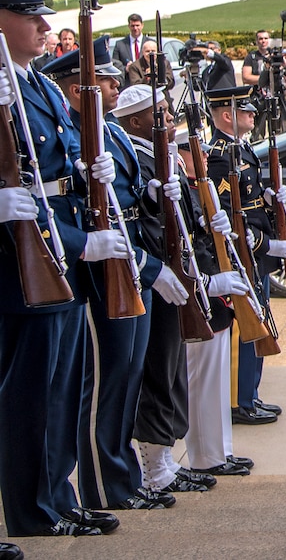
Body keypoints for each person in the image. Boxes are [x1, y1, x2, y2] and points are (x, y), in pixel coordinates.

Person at [0, 0, 124, 538]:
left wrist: (91, 169)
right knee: (30, 395)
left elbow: (65, 160)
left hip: (62, 250)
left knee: (65, 389)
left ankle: (58, 495)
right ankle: (32, 511)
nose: (44, 27)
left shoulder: (45, 87)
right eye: (31, 17)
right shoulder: (4, 88)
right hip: (25, 259)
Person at [45, 37, 190, 512]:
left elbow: (126, 203)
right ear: (75, 89)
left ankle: (122, 480)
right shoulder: (88, 133)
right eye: (104, 80)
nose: (113, 85)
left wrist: (151, 194)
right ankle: (105, 486)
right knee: (107, 384)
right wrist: (148, 265)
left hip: (131, 262)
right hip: (110, 268)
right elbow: (95, 213)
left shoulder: (115, 133)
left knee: (128, 376)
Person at [112, 85, 230, 496]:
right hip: (157, 273)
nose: (166, 117)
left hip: (177, 272)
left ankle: (164, 459)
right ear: (134, 121)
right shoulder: (132, 156)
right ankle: (154, 466)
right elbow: (141, 221)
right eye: (156, 112)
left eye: (165, 109)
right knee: (158, 371)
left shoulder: (163, 156)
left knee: (173, 368)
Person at [206, 86, 286, 426]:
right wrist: (265, 244)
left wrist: (271, 199)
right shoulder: (218, 156)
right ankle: (239, 401)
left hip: (255, 254)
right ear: (228, 116)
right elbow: (226, 216)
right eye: (247, 112)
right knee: (246, 326)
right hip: (243, 253)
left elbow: (251, 201)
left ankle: (251, 395)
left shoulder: (242, 149)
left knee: (258, 321)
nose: (253, 116)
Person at [176, 137, 255, 478]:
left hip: (217, 299)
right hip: (202, 297)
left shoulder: (199, 188)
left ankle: (220, 451)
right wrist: (209, 284)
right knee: (202, 383)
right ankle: (206, 456)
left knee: (217, 382)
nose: (205, 155)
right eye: (194, 151)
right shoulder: (183, 190)